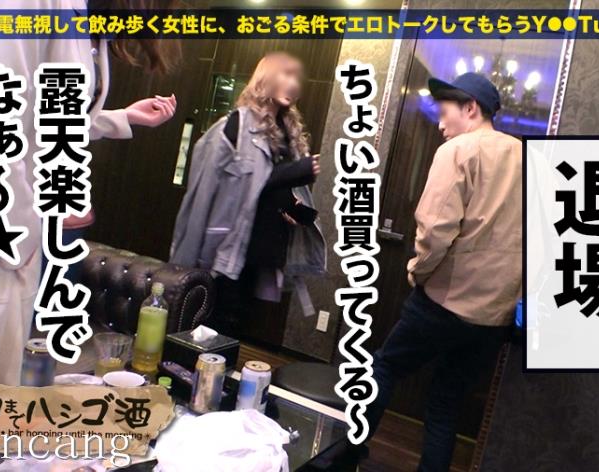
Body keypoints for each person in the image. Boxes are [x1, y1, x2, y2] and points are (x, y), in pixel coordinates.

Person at [0, 0, 180, 390]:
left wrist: (121, 118)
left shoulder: (86, 20)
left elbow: (49, 120)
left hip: (7, 232)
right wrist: (25, 229)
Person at [365, 72, 523, 472]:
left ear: (470, 108)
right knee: (446, 402)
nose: (439, 124)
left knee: (384, 367)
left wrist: (417, 272)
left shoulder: (457, 150)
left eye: (444, 112)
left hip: (445, 302)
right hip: (494, 316)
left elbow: (435, 230)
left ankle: (343, 455)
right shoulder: (526, 157)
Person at [170, 52, 326, 330]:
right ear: (266, 78)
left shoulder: (289, 135)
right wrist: (182, 267)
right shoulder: (234, 127)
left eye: (296, 78)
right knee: (208, 331)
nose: (293, 83)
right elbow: (201, 198)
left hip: (265, 255)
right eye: (285, 75)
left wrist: (293, 209)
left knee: (236, 333)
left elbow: (270, 193)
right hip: (227, 255)